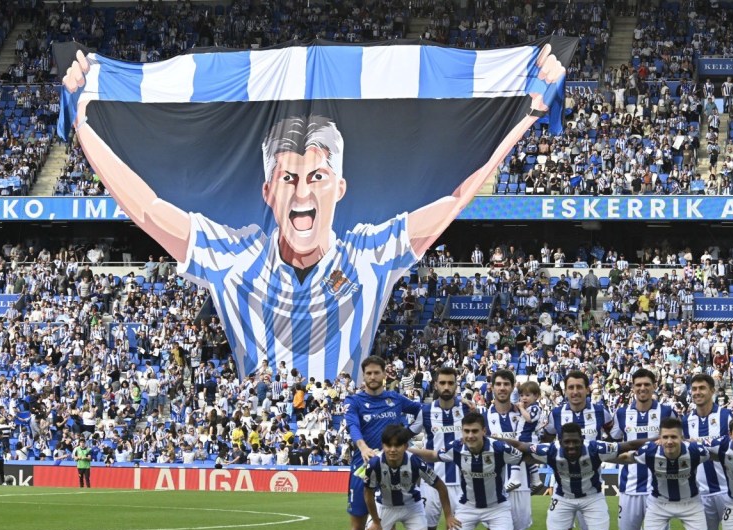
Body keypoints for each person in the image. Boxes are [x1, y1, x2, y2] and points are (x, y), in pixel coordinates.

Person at [61, 47, 565, 379]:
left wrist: (528, 115)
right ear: (267, 191)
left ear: (339, 188)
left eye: (317, 177)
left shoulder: (371, 252)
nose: (302, 191)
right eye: (288, 178)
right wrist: (83, 125)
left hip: (346, 422)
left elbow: (456, 198)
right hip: (257, 416)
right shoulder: (233, 254)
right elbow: (147, 209)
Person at [340, 355, 421, 530]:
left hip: (392, 470)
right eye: (369, 373)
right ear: (363, 376)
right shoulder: (354, 401)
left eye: (377, 373)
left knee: (390, 525)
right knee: (358, 528)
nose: (373, 377)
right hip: (362, 469)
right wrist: (363, 447)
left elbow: (423, 411)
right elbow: (353, 426)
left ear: (384, 374)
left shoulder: (395, 399)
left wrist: (406, 436)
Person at [498, 422, 643, 530]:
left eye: (575, 441)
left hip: (592, 498)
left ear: (582, 440)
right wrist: (491, 440)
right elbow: (519, 446)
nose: (571, 445)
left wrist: (654, 441)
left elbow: (629, 445)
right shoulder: (550, 449)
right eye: (567, 442)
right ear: (560, 441)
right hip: (563, 498)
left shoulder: (595, 448)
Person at [412, 412, 521, 530]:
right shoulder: (456, 448)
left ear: (484, 431)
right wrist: (407, 450)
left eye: (475, 431)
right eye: (466, 431)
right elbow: (434, 455)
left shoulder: (499, 448)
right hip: (468, 507)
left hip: (497, 507)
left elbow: (522, 456)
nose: (470, 435)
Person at [542, 370, 611, 530]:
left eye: (579, 387)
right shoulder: (556, 414)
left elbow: (614, 436)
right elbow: (547, 438)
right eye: (571, 387)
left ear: (587, 389)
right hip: (563, 486)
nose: (575, 392)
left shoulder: (600, 412)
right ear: (565, 391)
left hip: (591, 485)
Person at [609, 368, 673, 530]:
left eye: (646, 384)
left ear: (654, 386)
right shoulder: (622, 413)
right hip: (629, 488)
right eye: (638, 385)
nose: (642, 388)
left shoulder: (666, 412)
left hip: (658, 488)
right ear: (633, 387)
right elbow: (614, 442)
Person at [682, 372, 733, 530]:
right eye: (694, 389)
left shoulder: (727, 416)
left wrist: (700, 444)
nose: (697, 392)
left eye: (702, 388)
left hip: (729, 491)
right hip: (700, 494)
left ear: (712, 390)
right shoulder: (686, 421)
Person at [630, 418, 711, 530]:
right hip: (659, 503)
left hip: (690, 503)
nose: (669, 441)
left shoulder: (696, 451)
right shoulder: (649, 451)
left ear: (681, 438)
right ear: (659, 438)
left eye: (673, 437)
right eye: (665, 437)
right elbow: (626, 458)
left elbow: (718, 455)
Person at [408, 366, 468, 530]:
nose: (446, 387)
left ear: (456, 385)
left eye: (450, 383)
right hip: (430, 481)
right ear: (435, 385)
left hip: (460, 482)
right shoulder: (425, 411)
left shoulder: (467, 409)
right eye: (442, 383)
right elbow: (405, 436)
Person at [482, 370, 542, 530]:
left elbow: (537, 442)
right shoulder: (484, 417)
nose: (502, 388)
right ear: (492, 387)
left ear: (512, 387)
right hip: (494, 482)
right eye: (498, 384)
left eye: (506, 384)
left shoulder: (524, 413)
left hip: (520, 482)